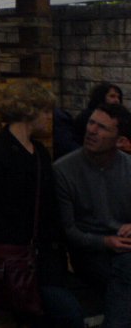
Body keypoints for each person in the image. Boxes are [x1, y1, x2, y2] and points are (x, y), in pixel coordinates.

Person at [0, 81, 84, 328]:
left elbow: (48, 206)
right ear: (29, 111)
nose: (48, 117)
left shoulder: (40, 152)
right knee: (66, 314)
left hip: (44, 256)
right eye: (45, 111)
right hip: (15, 259)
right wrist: (18, 241)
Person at [54, 103, 131, 328]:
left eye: (102, 128)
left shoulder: (128, 168)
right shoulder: (64, 170)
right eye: (91, 123)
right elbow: (68, 230)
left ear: (119, 139)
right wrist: (105, 241)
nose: (92, 131)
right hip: (91, 251)